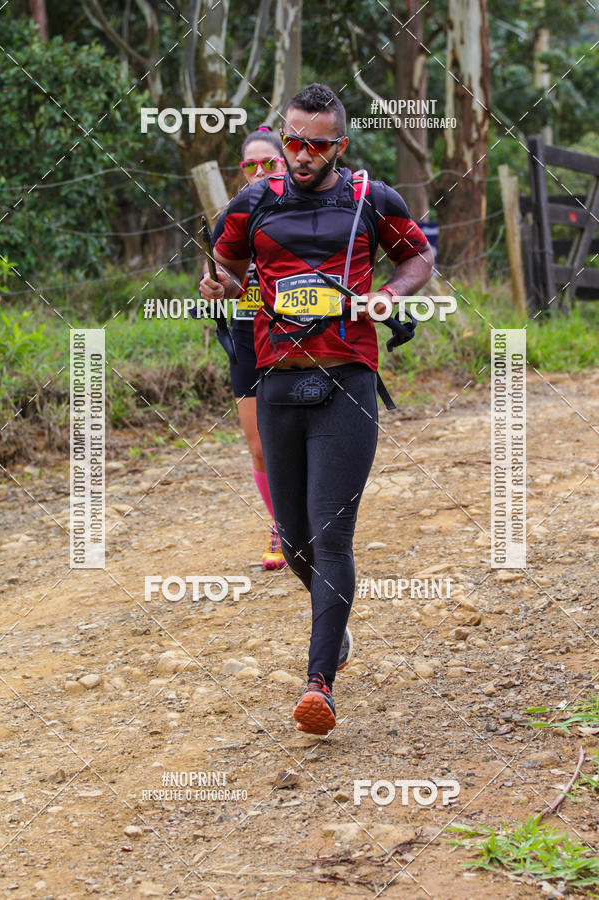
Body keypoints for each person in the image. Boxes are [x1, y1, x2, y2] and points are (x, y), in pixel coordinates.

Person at [201, 84, 434, 735]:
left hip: (346, 388)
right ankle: (337, 634)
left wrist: (388, 293)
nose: (301, 156)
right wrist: (223, 285)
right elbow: (226, 258)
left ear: (340, 145)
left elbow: (418, 254)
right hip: (277, 386)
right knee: (296, 538)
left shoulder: (368, 198)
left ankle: (318, 684)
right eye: (293, 142)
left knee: (332, 535)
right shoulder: (255, 202)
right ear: (284, 136)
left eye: (316, 145)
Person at [220, 126, 287, 569]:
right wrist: (216, 287)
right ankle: (280, 525)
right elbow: (224, 277)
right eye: (251, 165)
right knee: (259, 446)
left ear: (284, 164)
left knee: (296, 439)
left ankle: (315, 519)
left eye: (270, 163)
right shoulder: (234, 215)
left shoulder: (304, 210)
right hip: (246, 335)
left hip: (293, 336)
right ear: (242, 171)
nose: (260, 172)